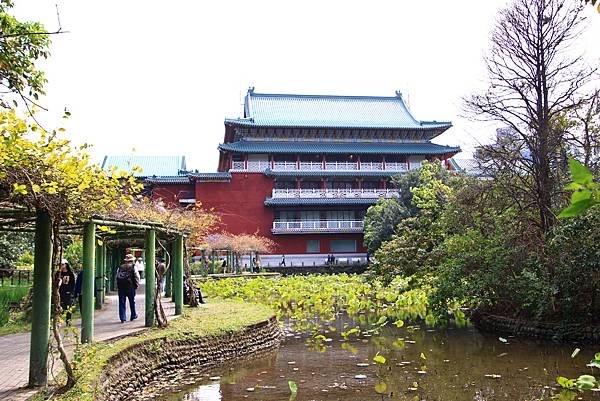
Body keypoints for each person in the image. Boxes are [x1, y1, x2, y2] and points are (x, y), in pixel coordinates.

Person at [116, 254, 140, 323]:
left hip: (121, 287)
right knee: (132, 301)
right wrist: (137, 285)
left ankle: (122, 317)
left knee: (122, 302)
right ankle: (133, 315)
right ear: (132, 260)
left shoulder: (120, 267)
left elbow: (117, 276)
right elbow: (137, 276)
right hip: (130, 286)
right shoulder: (133, 267)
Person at [55, 259, 76, 323]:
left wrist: (71, 292)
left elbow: (72, 284)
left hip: (67, 292)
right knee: (59, 306)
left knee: (68, 307)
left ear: (66, 265)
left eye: (62, 264)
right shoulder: (58, 273)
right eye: (60, 265)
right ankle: (58, 320)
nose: (61, 266)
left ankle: (68, 321)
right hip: (59, 292)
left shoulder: (70, 274)